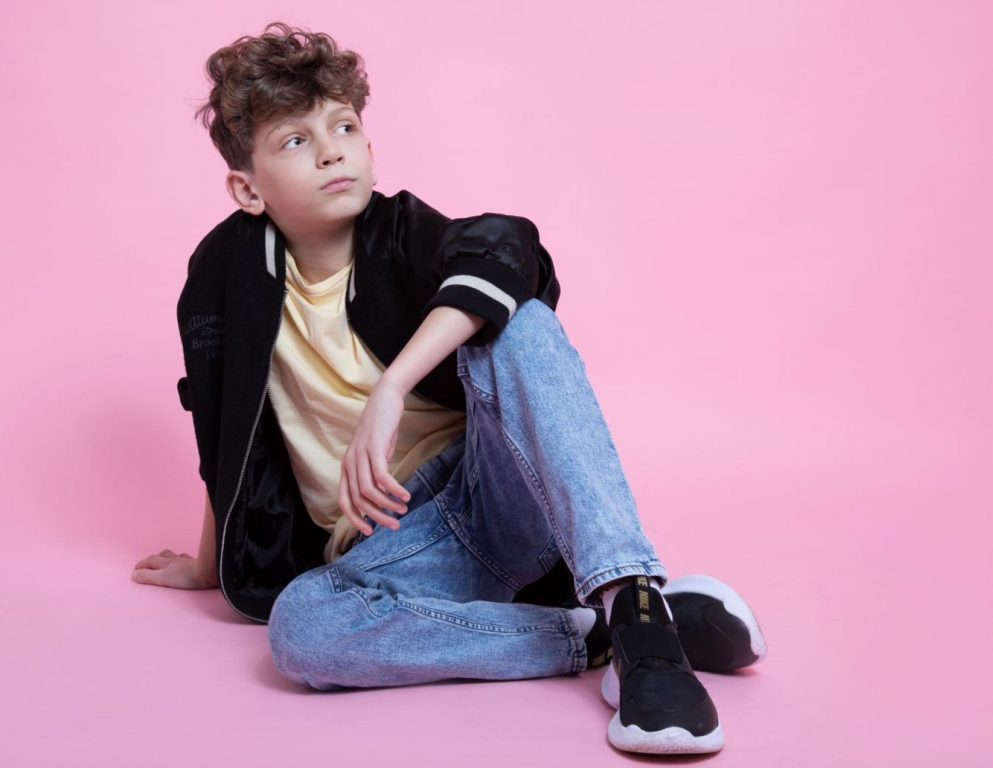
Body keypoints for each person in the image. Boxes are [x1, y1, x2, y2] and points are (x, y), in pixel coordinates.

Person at [132, 22, 767, 755]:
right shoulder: (224, 275)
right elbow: (222, 425)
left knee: (519, 323)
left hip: (495, 492)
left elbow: (508, 246)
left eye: (344, 126)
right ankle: (598, 635)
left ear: (369, 145)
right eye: (296, 141)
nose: (332, 150)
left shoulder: (400, 231)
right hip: (396, 548)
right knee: (301, 629)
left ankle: (640, 614)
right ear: (248, 188)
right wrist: (210, 562)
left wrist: (392, 387)